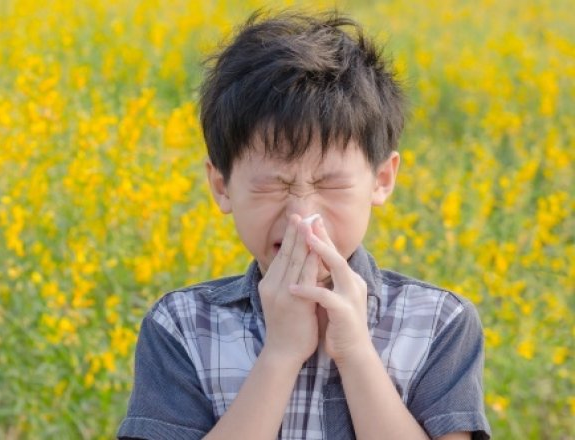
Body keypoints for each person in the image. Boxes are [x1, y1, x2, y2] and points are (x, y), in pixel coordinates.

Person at [117, 10, 491, 440]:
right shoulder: (181, 325)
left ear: (382, 180)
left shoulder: (439, 323)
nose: (302, 216)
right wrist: (280, 354)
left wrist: (355, 354)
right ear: (222, 186)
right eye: (272, 186)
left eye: (330, 184)